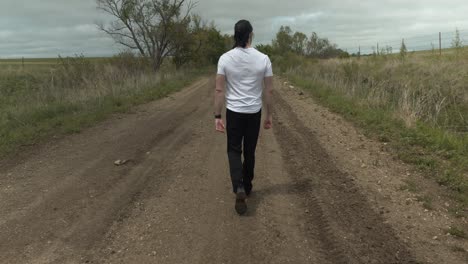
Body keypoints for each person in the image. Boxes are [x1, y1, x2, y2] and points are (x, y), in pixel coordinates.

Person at [214, 19, 274, 215]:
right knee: (249, 151)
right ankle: (247, 187)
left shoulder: (225, 58)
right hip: (253, 112)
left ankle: (238, 186)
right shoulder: (263, 58)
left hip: (234, 112)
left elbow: (219, 89)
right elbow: (269, 91)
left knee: (233, 150)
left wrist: (217, 115)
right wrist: (269, 115)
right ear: (251, 35)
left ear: (235, 35)